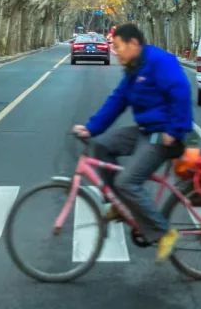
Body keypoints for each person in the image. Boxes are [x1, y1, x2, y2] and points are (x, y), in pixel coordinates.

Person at [72, 23, 193, 262]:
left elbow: (181, 91)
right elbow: (117, 101)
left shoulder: (160, 61)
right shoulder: (133, 68)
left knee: (127, 181)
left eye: (117, 47)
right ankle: (119, 203)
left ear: (134, 43)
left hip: (165, 135)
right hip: (145, 130)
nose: (114, 51)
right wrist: (91, 128)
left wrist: (175, 129)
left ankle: (163, 232)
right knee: (101, 145)